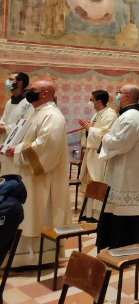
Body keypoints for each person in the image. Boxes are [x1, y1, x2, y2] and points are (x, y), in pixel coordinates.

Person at [3, 80, 70, 266]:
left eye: (33, 90)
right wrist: (10, 145)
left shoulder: (53, 116)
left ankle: (36, 257)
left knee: (35, 214)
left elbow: (46, 147)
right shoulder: (37, 112)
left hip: (40, 179)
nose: (29, 92)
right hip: (28, 177)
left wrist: (17, 150)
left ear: (45, 93)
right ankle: (19, 256)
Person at [96, 85, 139, 250]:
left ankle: (124, 244)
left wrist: (104, 138)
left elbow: (122, 142)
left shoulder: (132, 117)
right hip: (121, 166)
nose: (117, 95)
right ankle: (113, 242)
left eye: (119, 93)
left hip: (127, 169)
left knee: (122, 207)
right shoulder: (128, 114)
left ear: (127, 96)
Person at [78, 89, 117, 219]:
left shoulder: (110, 115)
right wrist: (87, 129)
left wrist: (89, 128)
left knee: (96, 181)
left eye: (91, 100)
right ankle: (87, 212)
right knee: (89, 182)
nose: (90, 102)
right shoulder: (97, 114)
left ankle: (95, 214)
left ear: (99, 102)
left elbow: (105, 135)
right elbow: (93, 131)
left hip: (100, 154)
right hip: (92, 152)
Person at [0, 72, 33, 176]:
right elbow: (4, 118)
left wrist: (6, 128)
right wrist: (1, 125)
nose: (7, 82)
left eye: (10, 80)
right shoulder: (10, 101)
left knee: (16, 175)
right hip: (5, 141)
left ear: (19, 83)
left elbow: (27, 122)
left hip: (17, 144)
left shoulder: (28, 102)